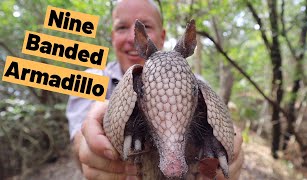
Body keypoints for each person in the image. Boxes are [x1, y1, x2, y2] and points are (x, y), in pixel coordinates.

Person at [66, 0, 244, 179]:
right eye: (121, 28)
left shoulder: (195, 82)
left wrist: (225, 142)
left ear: (162, 35)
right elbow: (77, 145)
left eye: (147, 25)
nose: (130, 38)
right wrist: (87, 146)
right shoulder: (90, 79)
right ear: (112, 36)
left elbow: (220, 124)